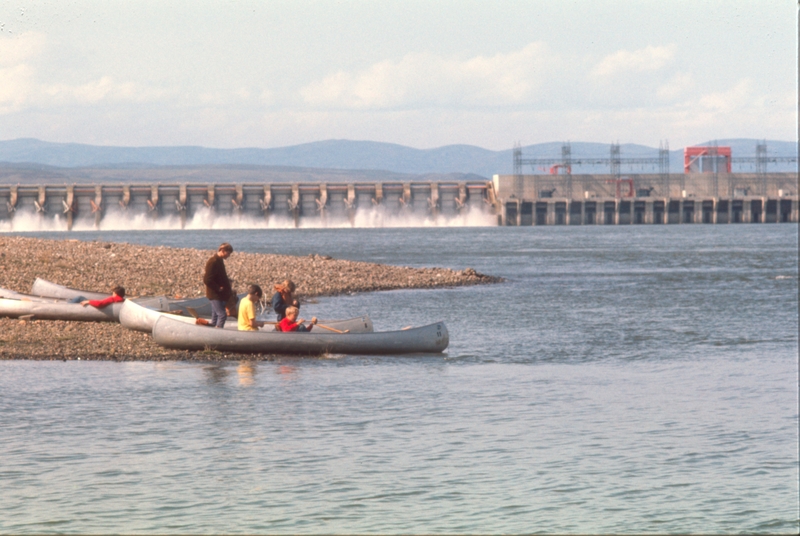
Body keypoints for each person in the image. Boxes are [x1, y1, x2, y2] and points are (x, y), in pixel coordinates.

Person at [203, 243, 234, 328]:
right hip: (214, 294)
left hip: (219, 294)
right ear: (222, 251)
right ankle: (218, 333)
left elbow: (218, 276)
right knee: (222, 315)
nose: (229, 256)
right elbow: (207, 280)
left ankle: (212, 329)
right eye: (228, 253)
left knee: (215, 317)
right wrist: (217, 288)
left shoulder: (219, 260)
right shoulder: (213, 261)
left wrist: (227, 281)